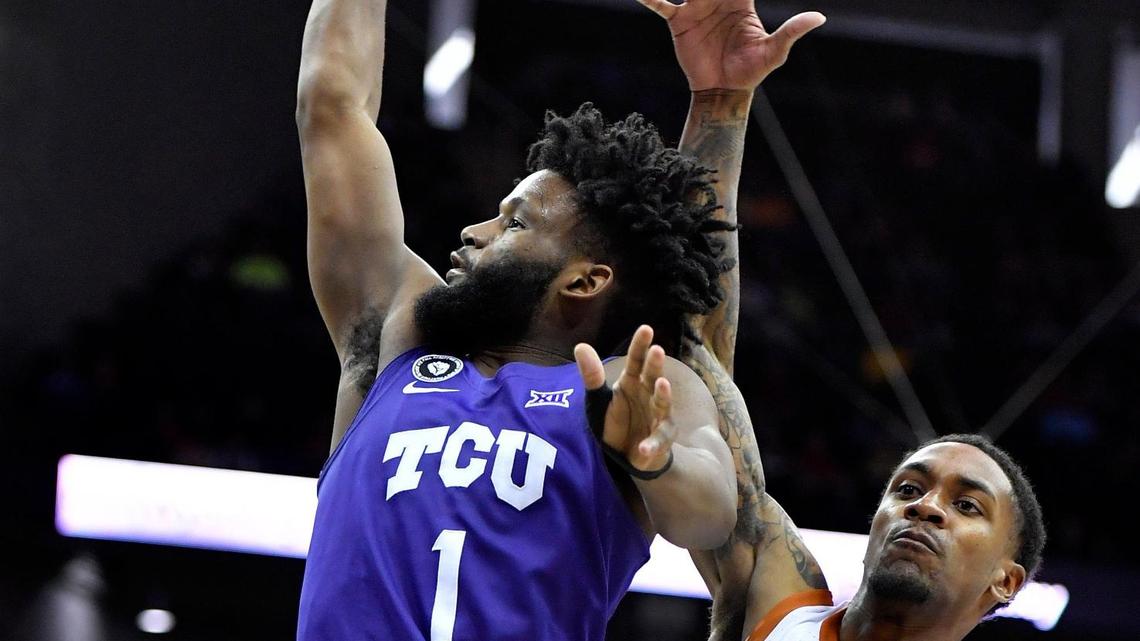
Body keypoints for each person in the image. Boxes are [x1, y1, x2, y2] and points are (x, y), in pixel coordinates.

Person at [292, 0, 741, 638]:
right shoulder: (396, 335)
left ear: (584, 280)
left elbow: (710, 516)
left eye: (515, 222)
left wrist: (655, 461)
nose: (475, 231)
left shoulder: (629, 388)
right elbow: (333, 108)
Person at [638, 3, 1047, 641]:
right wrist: (720, 100)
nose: (925, 509)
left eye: (966, 505)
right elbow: (698, 351)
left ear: (1007, 580)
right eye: (908, 488)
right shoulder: (779, 602)